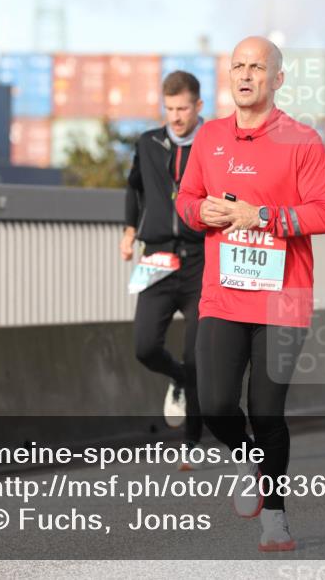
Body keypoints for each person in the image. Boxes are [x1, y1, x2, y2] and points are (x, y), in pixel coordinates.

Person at [175, 37, 325, 551]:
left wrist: (261, 216)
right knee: (215, 404)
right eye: (238, 66)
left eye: (257, 67)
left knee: (266, 411)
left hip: (283, 298)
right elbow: (186, 198)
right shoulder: (210, 137)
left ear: (278, 79)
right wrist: (200, 212)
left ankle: (275, 516)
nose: (246, 75)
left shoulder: (301, 140)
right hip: (223, 295)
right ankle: (246, 457)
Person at [121, 70, 206, 468]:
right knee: (145, 347)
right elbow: (134, 187)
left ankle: (191, 442)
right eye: (169, 108)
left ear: (198, 106)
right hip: (156, 258)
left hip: (201, 260)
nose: (175, 116)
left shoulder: (213, 144)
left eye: (183, 108)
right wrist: (128, 232)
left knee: (197, 354)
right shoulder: (148, 143)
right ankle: (178, 379)